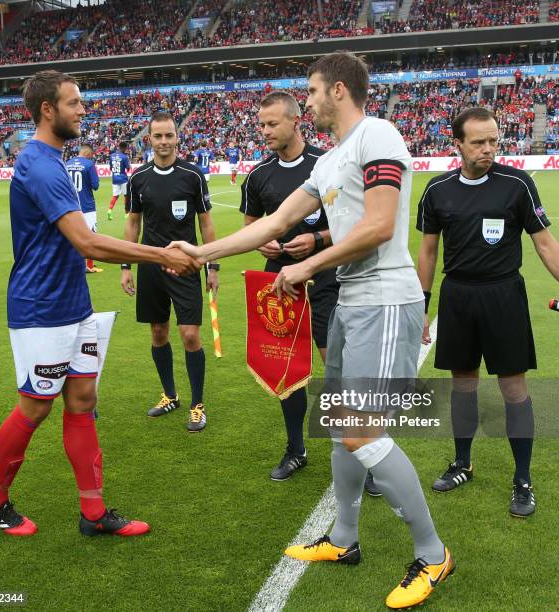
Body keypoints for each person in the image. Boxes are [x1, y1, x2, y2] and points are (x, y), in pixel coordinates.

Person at [168, 52, 453, 609]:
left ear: (339, 90)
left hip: (387, 301)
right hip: (353, 301)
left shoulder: (379, 135)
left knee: (362, 431)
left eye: (313, 91)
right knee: (340, 425)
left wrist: (306, 265)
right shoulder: (330, 163)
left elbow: (376, 226)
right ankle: (344, 540)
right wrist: (199, 252)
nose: (310, 100)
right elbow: (273, 225)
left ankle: (433, 551)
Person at [0, 70, 200, 538]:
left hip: (74, 306)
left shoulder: (54, 159)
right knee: (35, 409)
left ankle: (94, 514)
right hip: (41, 309)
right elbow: (87, 242)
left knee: (82, 402)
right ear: (48, 109)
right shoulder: (38, 163)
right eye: (75, 102)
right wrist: (161, 254)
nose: (84, 109)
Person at [416, 106, 559, 517]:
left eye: (493, 140)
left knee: (514, 388)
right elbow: (428, 251)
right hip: (458, 297)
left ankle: (523, 479)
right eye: (478, 142)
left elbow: (545, 243)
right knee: (463, 384)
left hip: (503, 296)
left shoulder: (517, 183)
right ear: (456, 143)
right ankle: (463, 462)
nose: (488, 149)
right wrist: (422, 306)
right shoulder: (437, 190)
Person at [241, 91, 340, 482]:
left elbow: (353, 224)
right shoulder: (258, 175)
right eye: (261, 124)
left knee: (336, 367)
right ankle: (296, 448)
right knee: (287, 369)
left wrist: (317, 241)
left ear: (295, 121)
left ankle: (354, 449)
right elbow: (250, 226)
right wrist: (258, 239)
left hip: (328, 276)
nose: (264, 131)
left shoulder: (326, 165)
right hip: (280, 283)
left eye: (272, 124)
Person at [121, 111, 218, 433]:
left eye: (169, 136)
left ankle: (197, 404)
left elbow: (205, 222)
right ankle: (170, 395)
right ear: (149, 139)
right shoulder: (138, 178)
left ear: (178, 137)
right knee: (158, 332)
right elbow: (133, 222)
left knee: (190, 334)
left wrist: (211, 264)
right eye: (158, 136)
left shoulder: (193, 175)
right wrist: (126, 266)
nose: (164, 142)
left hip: (185, 265)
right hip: (150, 265)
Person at [66, 143, 102, 273]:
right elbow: (95, 185)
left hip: (70, 206)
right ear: (88, 154)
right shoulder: (89, 164)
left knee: (72, 235)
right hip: (87, 205)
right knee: (91, 234)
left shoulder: (67, 163)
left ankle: (73, 264)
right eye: (91, 156)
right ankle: (90, 266)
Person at [107, 141, 130, 220]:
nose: (126, 150)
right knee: (126, 196)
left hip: (115, 179)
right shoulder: (124, 157)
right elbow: (128, 168)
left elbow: (110, 168)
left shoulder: (112, 156)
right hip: (123, 179)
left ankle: (109, 210)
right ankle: (127, 213)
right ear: (124, 148)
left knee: (115, 196)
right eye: (126, 148)